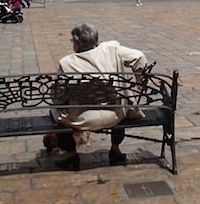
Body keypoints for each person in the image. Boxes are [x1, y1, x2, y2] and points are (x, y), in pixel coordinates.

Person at [44, 23, 148, 170]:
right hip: (115, 116)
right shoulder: (112, 50)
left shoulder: (66, 63)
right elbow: (139, 57)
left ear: (77, 43)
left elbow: (58, 96)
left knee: (55, 111)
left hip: (82, 119)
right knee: (121, 102)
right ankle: (115, 149)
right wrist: (140, 81)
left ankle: (71, 154)